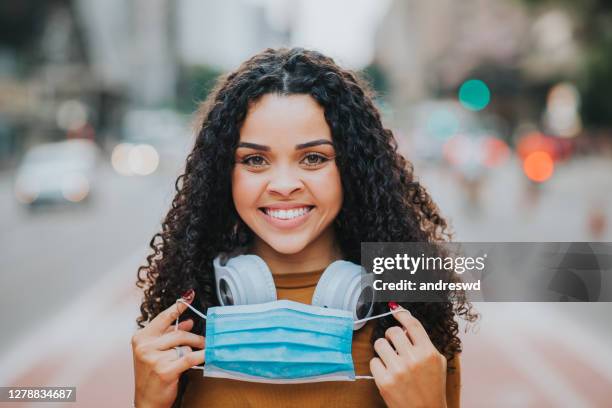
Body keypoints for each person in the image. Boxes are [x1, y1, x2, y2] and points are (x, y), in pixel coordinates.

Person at [131, 47, 477, 407]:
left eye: (313, 158)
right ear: (224, 174)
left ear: (351, 168)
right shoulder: (183, 318)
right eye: (255, 160)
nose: (283, 184)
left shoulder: (412, 314)